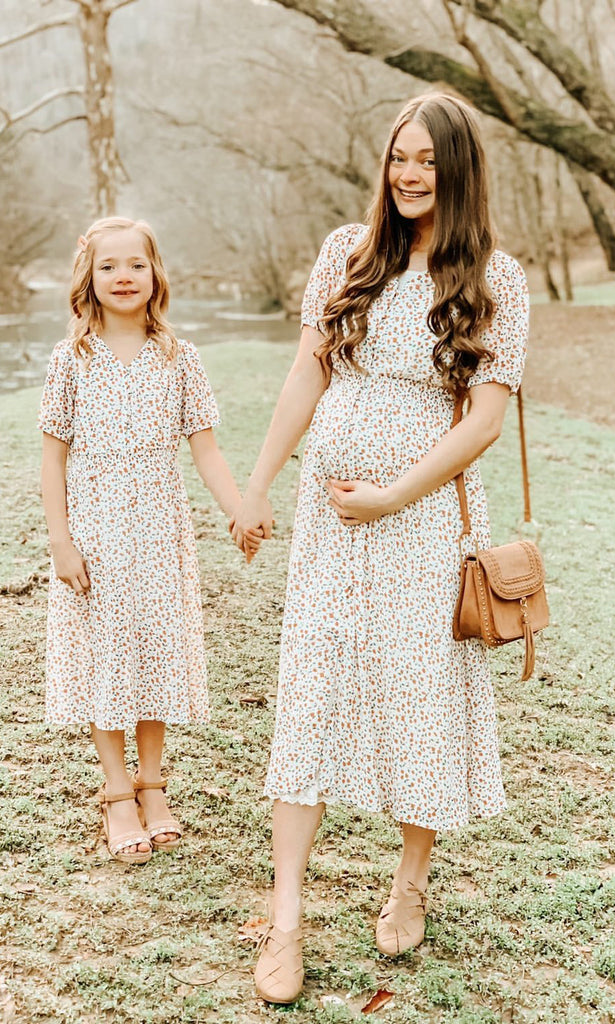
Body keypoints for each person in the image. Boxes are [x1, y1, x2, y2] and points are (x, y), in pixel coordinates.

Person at [230, 92, 529, 1003]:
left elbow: (484, 418)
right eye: (399, 157)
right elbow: (306, 372)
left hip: (425, 523)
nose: (408, 174)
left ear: (459, 172)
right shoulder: (344, 254)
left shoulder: (496, 279)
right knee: (312, 692)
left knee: (415, 693)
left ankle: (409, 880)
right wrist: (258, 481)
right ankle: (284, 921)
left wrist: (398, 492)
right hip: (330, 528)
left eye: (428, 161)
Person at [39, 216, 260, 865]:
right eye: (108, 266)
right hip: (95, 534)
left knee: (153, 656)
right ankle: (115, 791)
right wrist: (60, 540)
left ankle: (153, 784)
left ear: (155, 274)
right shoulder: (70, 359)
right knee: (105, 657)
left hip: (160, 534)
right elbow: (52, 459)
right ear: (89, 278)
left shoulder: (179, 355)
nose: (123, 276)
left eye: (135, 264)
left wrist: (238, 510)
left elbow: (207, 451)